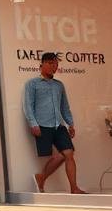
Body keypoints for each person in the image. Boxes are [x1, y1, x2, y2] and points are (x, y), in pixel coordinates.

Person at [24, 53, 84, 193]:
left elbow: (65, 106)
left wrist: (71, 123)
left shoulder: (59, 85)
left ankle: (74, 188)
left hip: (59, 125)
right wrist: (33, 123)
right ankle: (41, 177)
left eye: (56, 64)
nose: (54, 66)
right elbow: (28, 105)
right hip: (42, 125)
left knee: (69, 154)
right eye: (51, 63)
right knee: (59, 156)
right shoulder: (32, 84)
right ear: (42, 65)